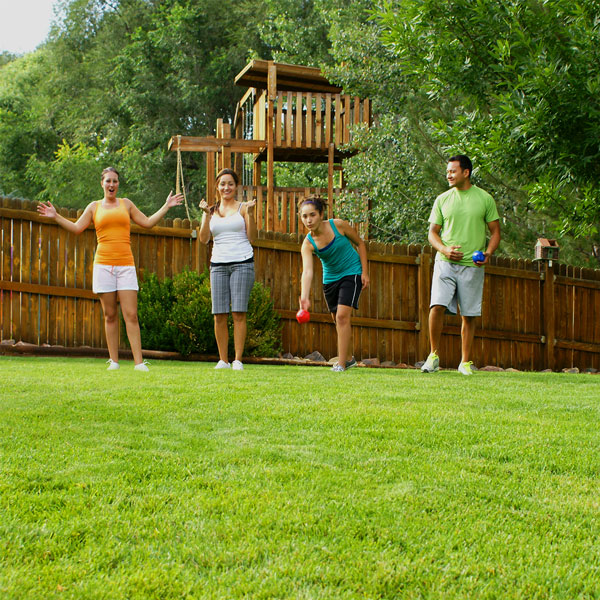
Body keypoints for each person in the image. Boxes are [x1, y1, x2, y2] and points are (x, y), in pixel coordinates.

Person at [37, 167, 183, 371]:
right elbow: (77, 228)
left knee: (131, 314)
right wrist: (56, 216)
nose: (111, 185)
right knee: (110, 315)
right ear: (102, 183)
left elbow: (148, 223)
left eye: (115, 181)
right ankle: (113, 361)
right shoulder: (94, 207)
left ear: (118, 184)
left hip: (125, 266)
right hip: (103, 266)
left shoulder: (127, 204)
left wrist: (166, 206)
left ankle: (139, 363)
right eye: (108, 181)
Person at [421, 155, 501, 375]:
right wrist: (445, 250)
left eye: (453, 171)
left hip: (472, 266)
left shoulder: (485, 199)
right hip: (445, 262)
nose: (448, 175)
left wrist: (488, 253)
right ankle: (433, 355)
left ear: (466, 172)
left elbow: (495, 232)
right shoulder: (442, 199)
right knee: (436, 306)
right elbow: (432, 233)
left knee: (468, 314)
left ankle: (464, 362)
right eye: (447, 171)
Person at [298, 196, 369, 372]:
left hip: (352, 272)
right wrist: (304, 297)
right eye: (304, 216)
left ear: (321, 214)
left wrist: (365, 272)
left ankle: (341, 364)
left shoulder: (338, 225)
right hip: (330, 280)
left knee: (342, 317)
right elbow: (307, 271)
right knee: (337, 321)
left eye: (312, 215)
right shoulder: (308, 243)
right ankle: (350, 358)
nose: (309, 220)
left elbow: (360, 243)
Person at [198, 168, 257, 370]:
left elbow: (253, 238)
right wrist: (206, 216)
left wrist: (249, 214)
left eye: (230, 183)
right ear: (217, 187)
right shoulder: (211, 211)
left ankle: (238, 360)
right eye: (222, 184)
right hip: (218, 265)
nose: (226, 187)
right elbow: (204, 239)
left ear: (236, 186)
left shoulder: (243, 208)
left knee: (239, 312)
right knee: (219, 314)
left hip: (242, 262)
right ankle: (223, 360)